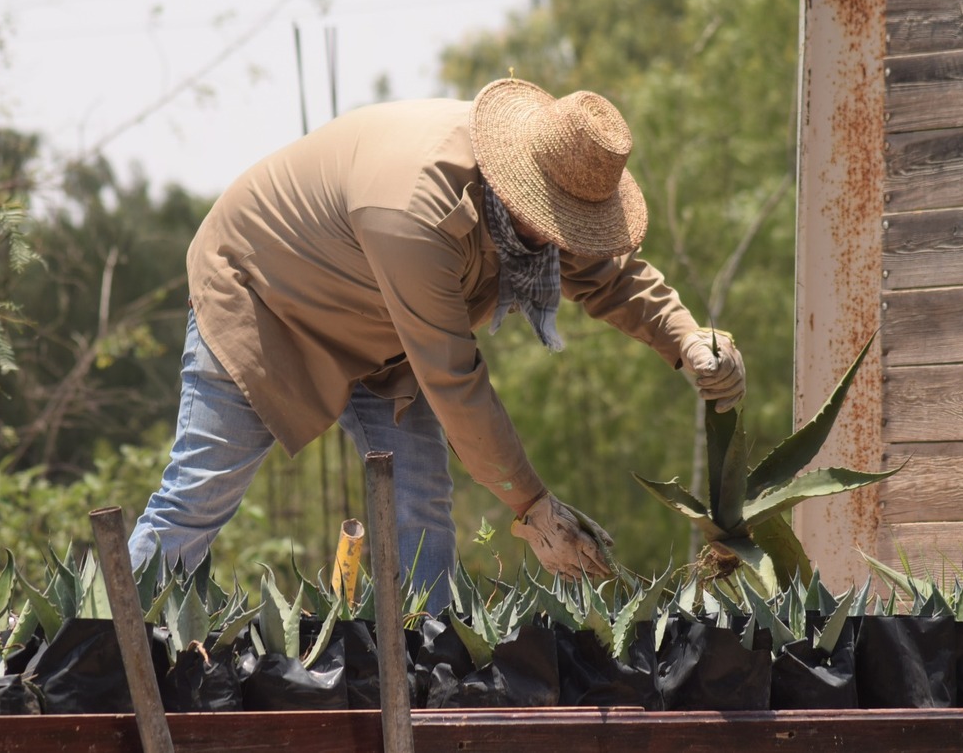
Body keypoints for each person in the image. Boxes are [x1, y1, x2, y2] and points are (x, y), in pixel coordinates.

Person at [128, 77, 745, 611]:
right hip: (267, 297)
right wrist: (533, 508)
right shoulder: (414, 213)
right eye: (559, 223)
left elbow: (607, 272)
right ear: (517, 187)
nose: (568, 240)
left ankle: (425, 669)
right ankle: (103, 653)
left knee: (419, 508)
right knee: (201, 493)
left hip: (384, 332)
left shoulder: (531, 215)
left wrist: (687, 338)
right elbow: (454, 382)